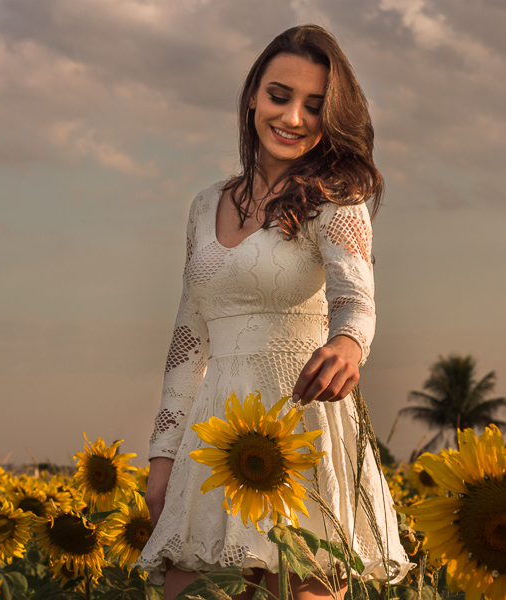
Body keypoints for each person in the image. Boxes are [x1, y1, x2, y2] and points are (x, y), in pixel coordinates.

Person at [136, 26, 410, 600]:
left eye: (315, 106)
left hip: (305, 432)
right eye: (279, 96)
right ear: (252, 98)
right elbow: (188, 340)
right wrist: (163, 456)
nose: (293, 117)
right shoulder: (205, 204)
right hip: (215, 437)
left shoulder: (335, 198)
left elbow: (355, 299)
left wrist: (348, 345)